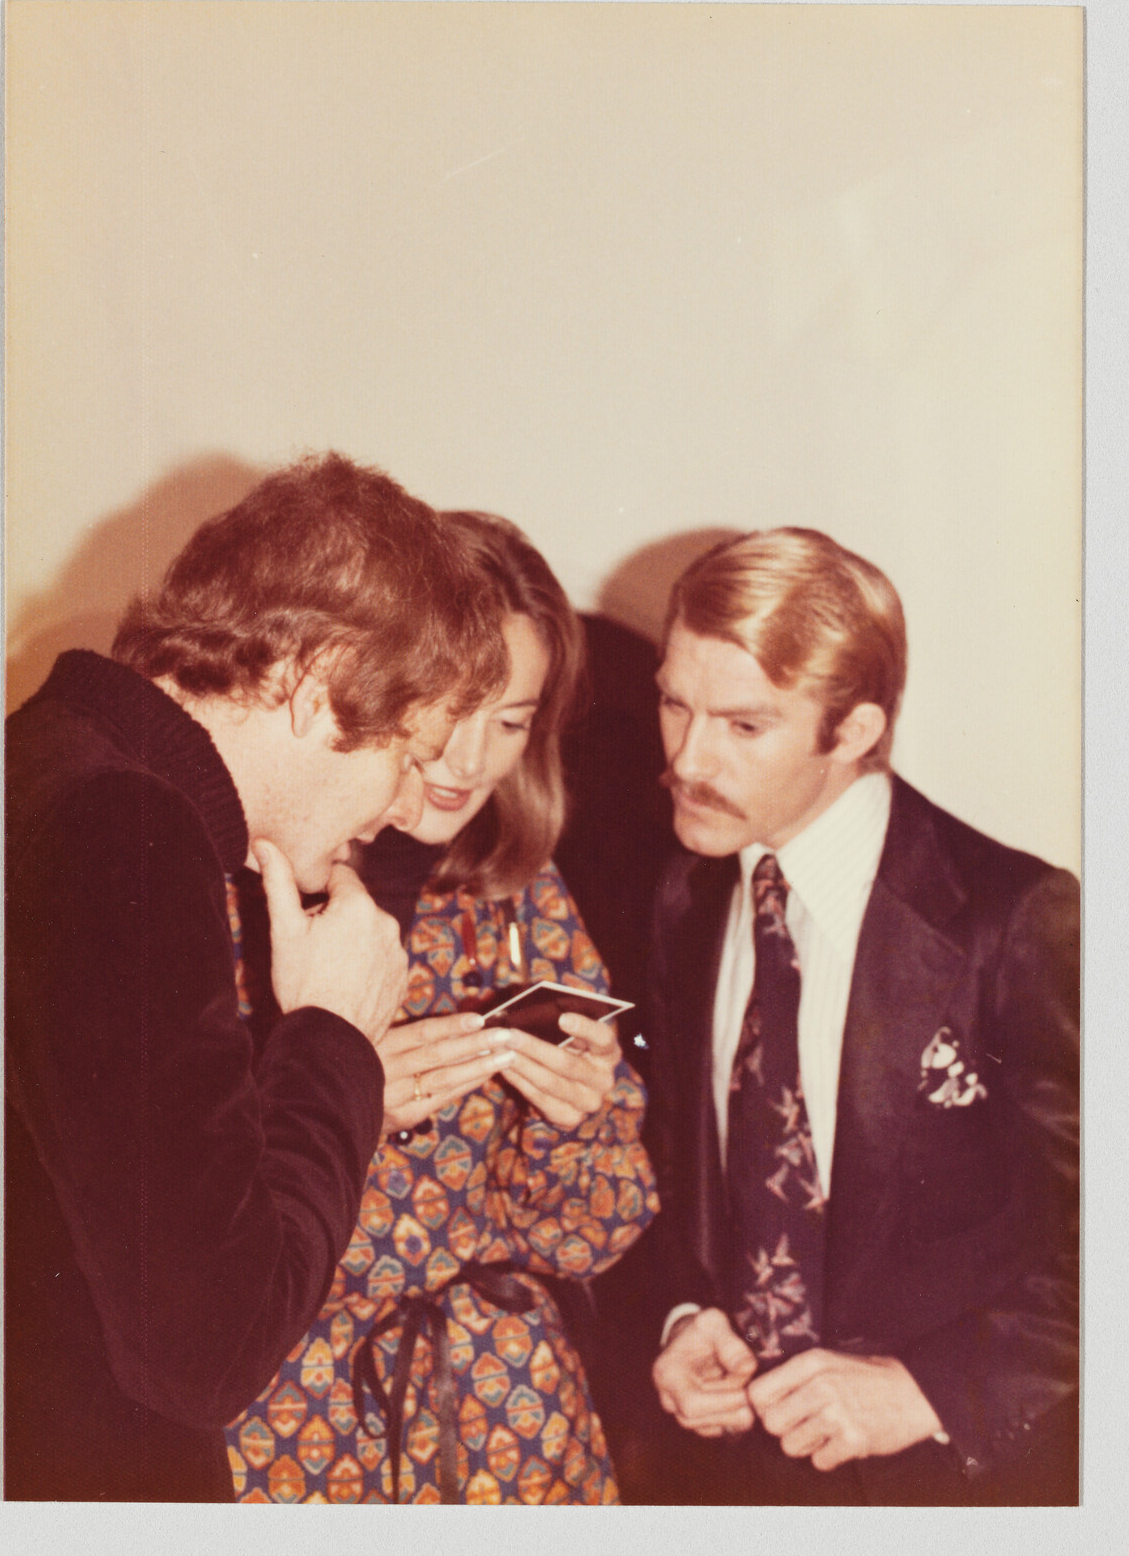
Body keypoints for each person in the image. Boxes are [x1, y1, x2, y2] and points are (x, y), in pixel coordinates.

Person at [4, 452, 508, 1501]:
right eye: (410, 754)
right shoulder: (129, 831)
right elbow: (209, 1351)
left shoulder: (45, 755)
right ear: (314, 683)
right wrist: (332, 1038)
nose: (404, 805)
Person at [226, 512, 659, 1505]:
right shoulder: (238, 887)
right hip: (293, 1425)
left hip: (514, 1422)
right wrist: (336, 1099)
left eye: (511, 722)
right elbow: (169, 1222)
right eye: (453, 709)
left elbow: (597, 1233)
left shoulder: (518, 891)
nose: (468, 761)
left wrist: (569, 1124)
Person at [643, 528, 1079, 1506]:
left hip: (956, 1491)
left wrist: (929, 1390)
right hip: (734, 1480)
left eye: (743, 725)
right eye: (675, 703)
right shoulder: (688, 892)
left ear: (853, 732)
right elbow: (679, 1153)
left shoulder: (1015, 919)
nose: (687, 758)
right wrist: (684, 1309)